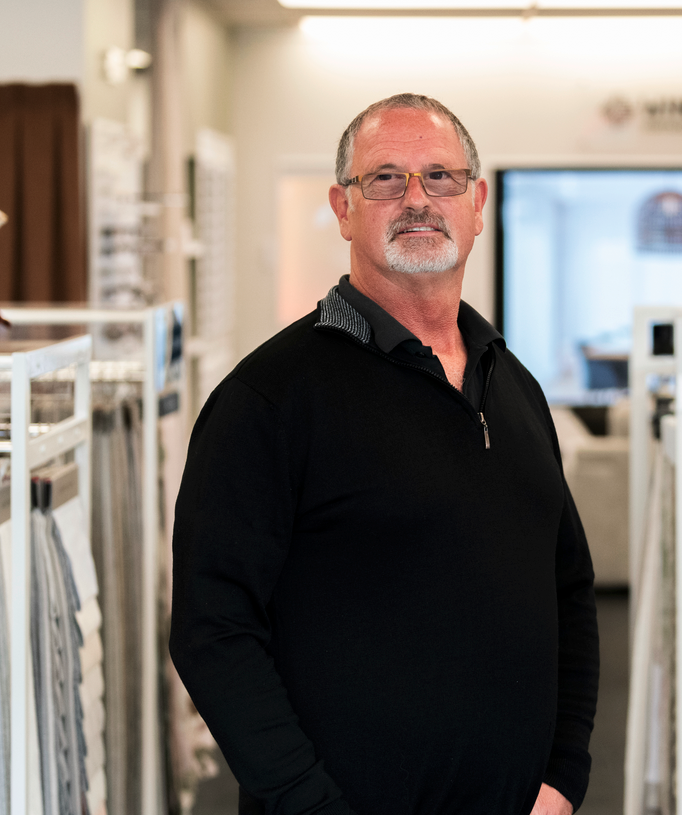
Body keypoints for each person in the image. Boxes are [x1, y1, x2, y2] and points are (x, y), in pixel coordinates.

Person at [170, 93, 599, 815]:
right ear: (342, 207)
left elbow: (567, 587)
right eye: (385, 179)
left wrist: (562, 774)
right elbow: (213, 629)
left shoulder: (511, 382)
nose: (417, 200)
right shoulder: (270, 397)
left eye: (440, 177)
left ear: (476, 201)